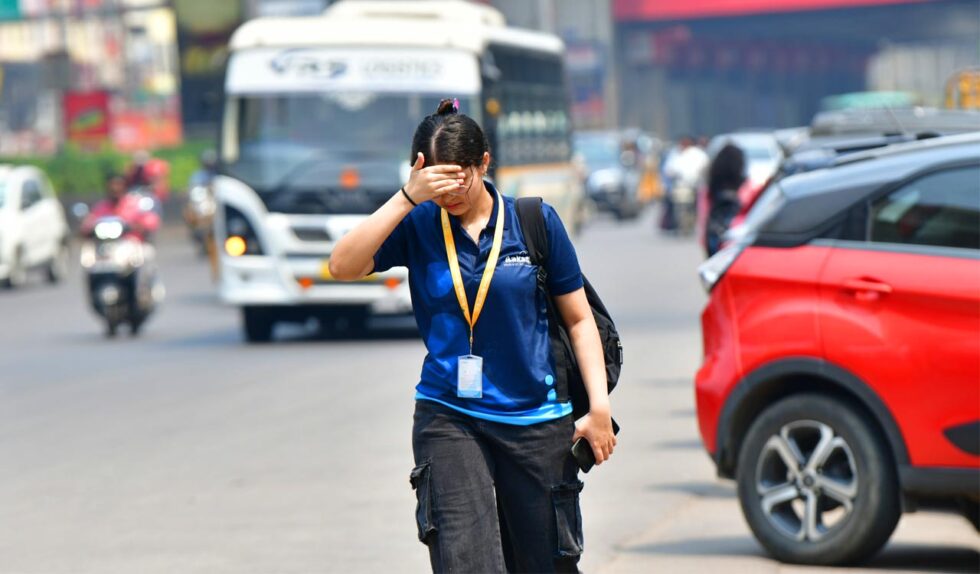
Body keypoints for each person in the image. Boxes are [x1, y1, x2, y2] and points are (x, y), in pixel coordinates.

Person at [329, 99, 616, 573]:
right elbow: (342, 265)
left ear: (484, 162)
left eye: (460, 174)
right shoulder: (419, 224)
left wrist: (599, 409)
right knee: (465, 564)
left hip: (537, 420)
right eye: (436, 178)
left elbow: (580, 320)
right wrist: (407, 197)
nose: (451, 190)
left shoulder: (534, 222)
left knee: (547, 563)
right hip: (450, 415)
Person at [81, 174, 161, 242]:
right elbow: (87, 225)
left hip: (130, 245)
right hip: (104, 245)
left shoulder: (134, 204)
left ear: (125, 187)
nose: (115, 188)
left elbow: (150, 222)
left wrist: (136, 226)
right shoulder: (100, 207)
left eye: (118, 185)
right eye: (112, 185)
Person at [704, 143, 746, 257]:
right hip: (733, 208)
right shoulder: (740, 178)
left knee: (716, 234)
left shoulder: (715, 173)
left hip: (717, 208)